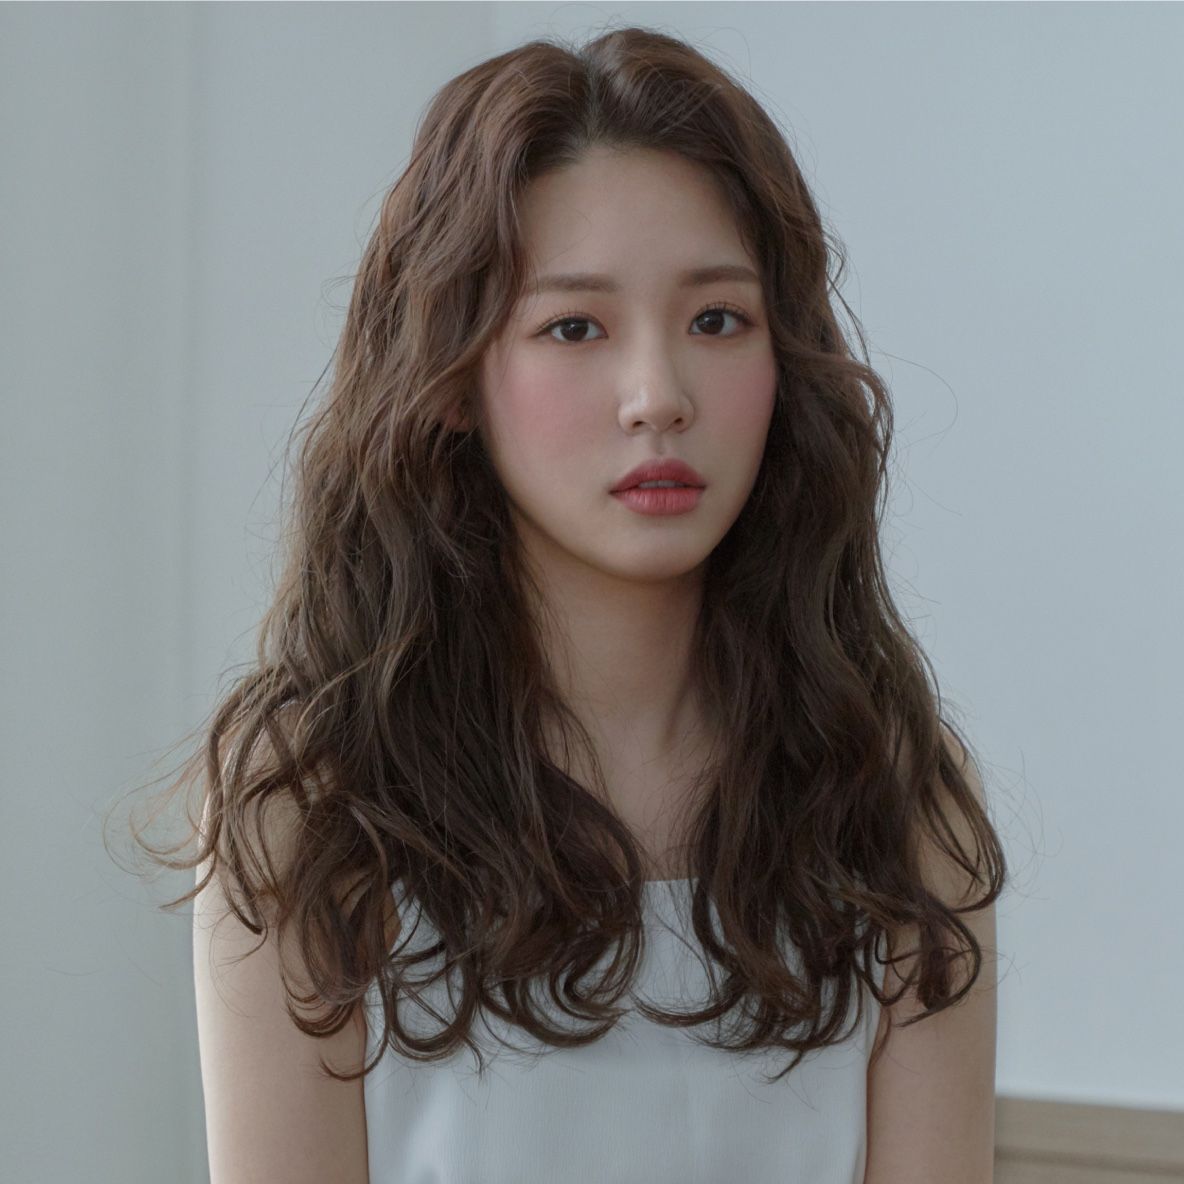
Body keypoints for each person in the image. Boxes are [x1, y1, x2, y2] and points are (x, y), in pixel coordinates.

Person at [117, 24, 1006, 1184]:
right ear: (448, 380)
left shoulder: (893, 788)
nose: (658, 395)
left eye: (717, 319)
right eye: (573, 327)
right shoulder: (311, 801)